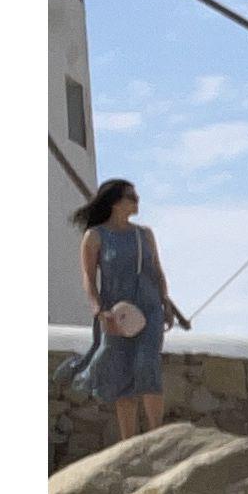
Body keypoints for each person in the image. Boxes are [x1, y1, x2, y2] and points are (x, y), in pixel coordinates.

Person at [71, 179, 189, 443]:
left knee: (147, 364)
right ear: (114, 201)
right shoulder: (95, 236)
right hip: (117, 312)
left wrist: (165, 303)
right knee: (122, 373)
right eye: (131, 197)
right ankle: (129, 443)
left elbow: (157, 270)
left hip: (149, 308)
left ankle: (155, 435)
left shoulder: (144, 234)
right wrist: (99, 310)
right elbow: (89, 278)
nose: (137, 201)